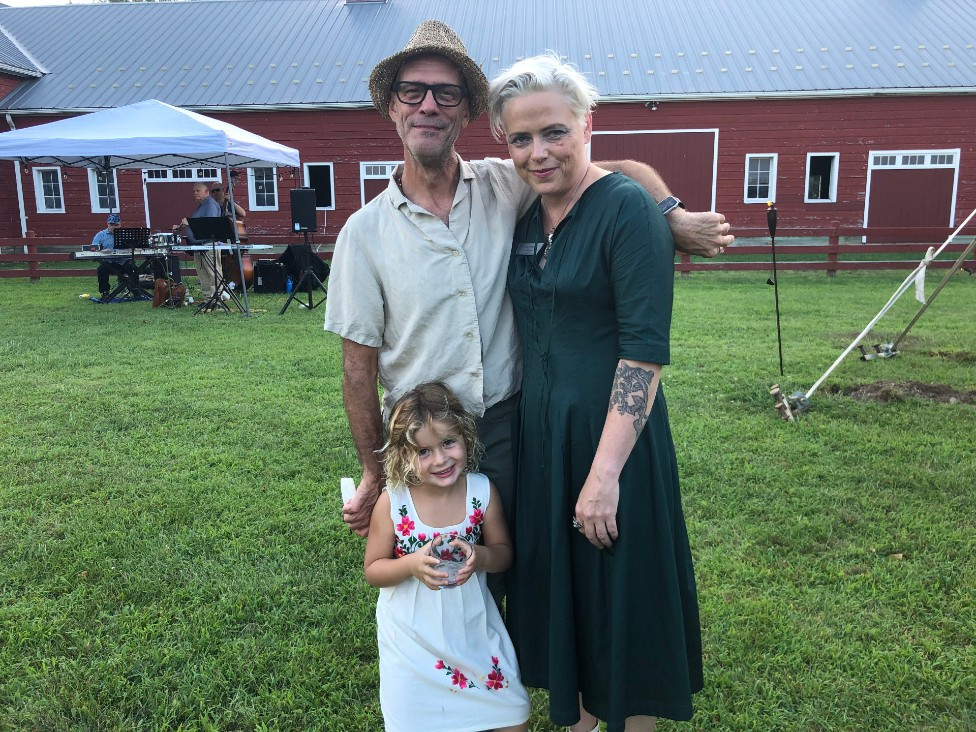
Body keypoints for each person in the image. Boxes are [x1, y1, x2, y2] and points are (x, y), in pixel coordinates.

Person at [324, 20, 733, 544]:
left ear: (466, 111)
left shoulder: (507, 184)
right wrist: (374, 471)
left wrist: (669, 215)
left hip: (511, 427)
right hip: (422, 439)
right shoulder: (362, 234)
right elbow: (356, 370)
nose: (428, 105)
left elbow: (619, 173)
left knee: (516, 564)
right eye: (413, 91)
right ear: (394, 107)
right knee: (433, 585)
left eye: (446, 93)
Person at [487, 54, 702, 732]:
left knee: (620, 602)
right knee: (571, 602)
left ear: (587, 124)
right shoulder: (529, 218)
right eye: (520, 139)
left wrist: (605, 475)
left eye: (553, 132)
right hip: (545, 442)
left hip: (614, 444)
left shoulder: (627, 213)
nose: (538, 152)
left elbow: (643, 354)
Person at [363, 381, 530, 732]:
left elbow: (503, 554)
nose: (440, 459)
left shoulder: (482, 491)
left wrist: (479, 556)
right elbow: (374, 570)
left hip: (472, 632)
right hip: (411, 642)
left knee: (513, 715)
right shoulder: (394, 502)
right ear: (402, 455)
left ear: (466, 438)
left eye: (448, 443)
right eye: (423, 451)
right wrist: (411, 564)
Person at [175, 181, 223, 299]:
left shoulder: (210, 204)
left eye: (198, 191)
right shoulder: (202, 205)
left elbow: (208, 226)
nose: (195, 193)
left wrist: (189, 223)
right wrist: (183, 226)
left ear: (206, 192)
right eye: (194, 191)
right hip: (199, 245)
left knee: (213, 273)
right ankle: (208, 298)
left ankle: (217, 298)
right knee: (203, 273)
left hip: (208, 245)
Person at [91, 212, 129, 301]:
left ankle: (136, 290)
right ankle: (105, 292)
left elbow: (132, 247)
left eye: (116, 225)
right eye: (111, 224)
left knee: (132, 267)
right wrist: (101, 250)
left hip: (123, 261)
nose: (113, 227)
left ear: (120, 225)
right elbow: (93, 247)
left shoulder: (125, 234)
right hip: (109, 262)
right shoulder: (101, 235)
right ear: (107, 224)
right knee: (101, 269)